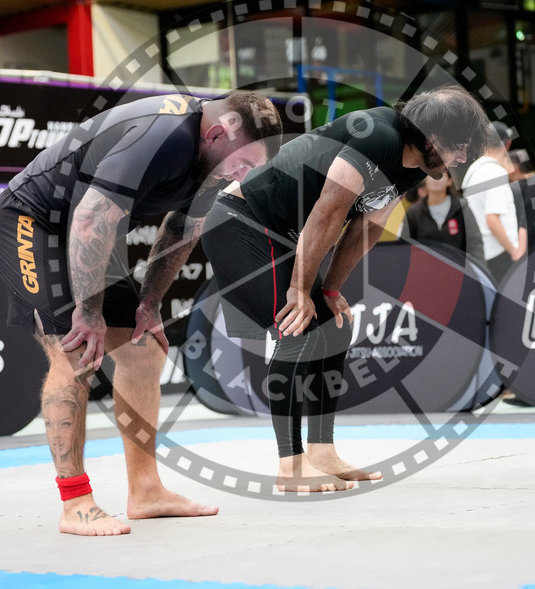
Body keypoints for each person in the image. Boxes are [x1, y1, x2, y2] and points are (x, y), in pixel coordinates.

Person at [0, 91, 282, 534]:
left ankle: (145, 491)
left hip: (90, 229)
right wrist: (87, 312)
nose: (243, 174)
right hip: (33, 220)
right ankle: (75, 503)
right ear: (217, 134)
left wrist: (150, 303)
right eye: (243, 163)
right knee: (75, 350)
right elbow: (90, 218)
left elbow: (182, 229)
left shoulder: (214, 159)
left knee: (145, 351)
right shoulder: (162, 134)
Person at [200, 85, 490, 493]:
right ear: (432, 136)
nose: (461, 159)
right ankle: (291, 465)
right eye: (459, 148)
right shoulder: (377, 135)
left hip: (282, 232)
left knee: (334, 327)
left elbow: (366, 228)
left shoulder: (413, 165)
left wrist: (331, 289)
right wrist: (300, 291)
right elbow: (327, 215)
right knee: (297, 327)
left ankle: (322, 453)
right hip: (241, 221)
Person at [461, 122, 524, 282]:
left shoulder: (473, 171)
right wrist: (514, 251)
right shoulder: (496, 172)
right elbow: (492, 220)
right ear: (508, 143)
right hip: (499, 254)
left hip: (479, 253)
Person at [399, 169, 485, 265]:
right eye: (431, 175)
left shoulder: (462, 208)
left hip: (458, 271)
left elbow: (475, 243)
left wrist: (478, 273)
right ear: (425, 181)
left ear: (449, 181)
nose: (436, 179)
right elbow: (404, 246)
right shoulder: (413, 212)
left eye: (441, 175)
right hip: (425, 271)